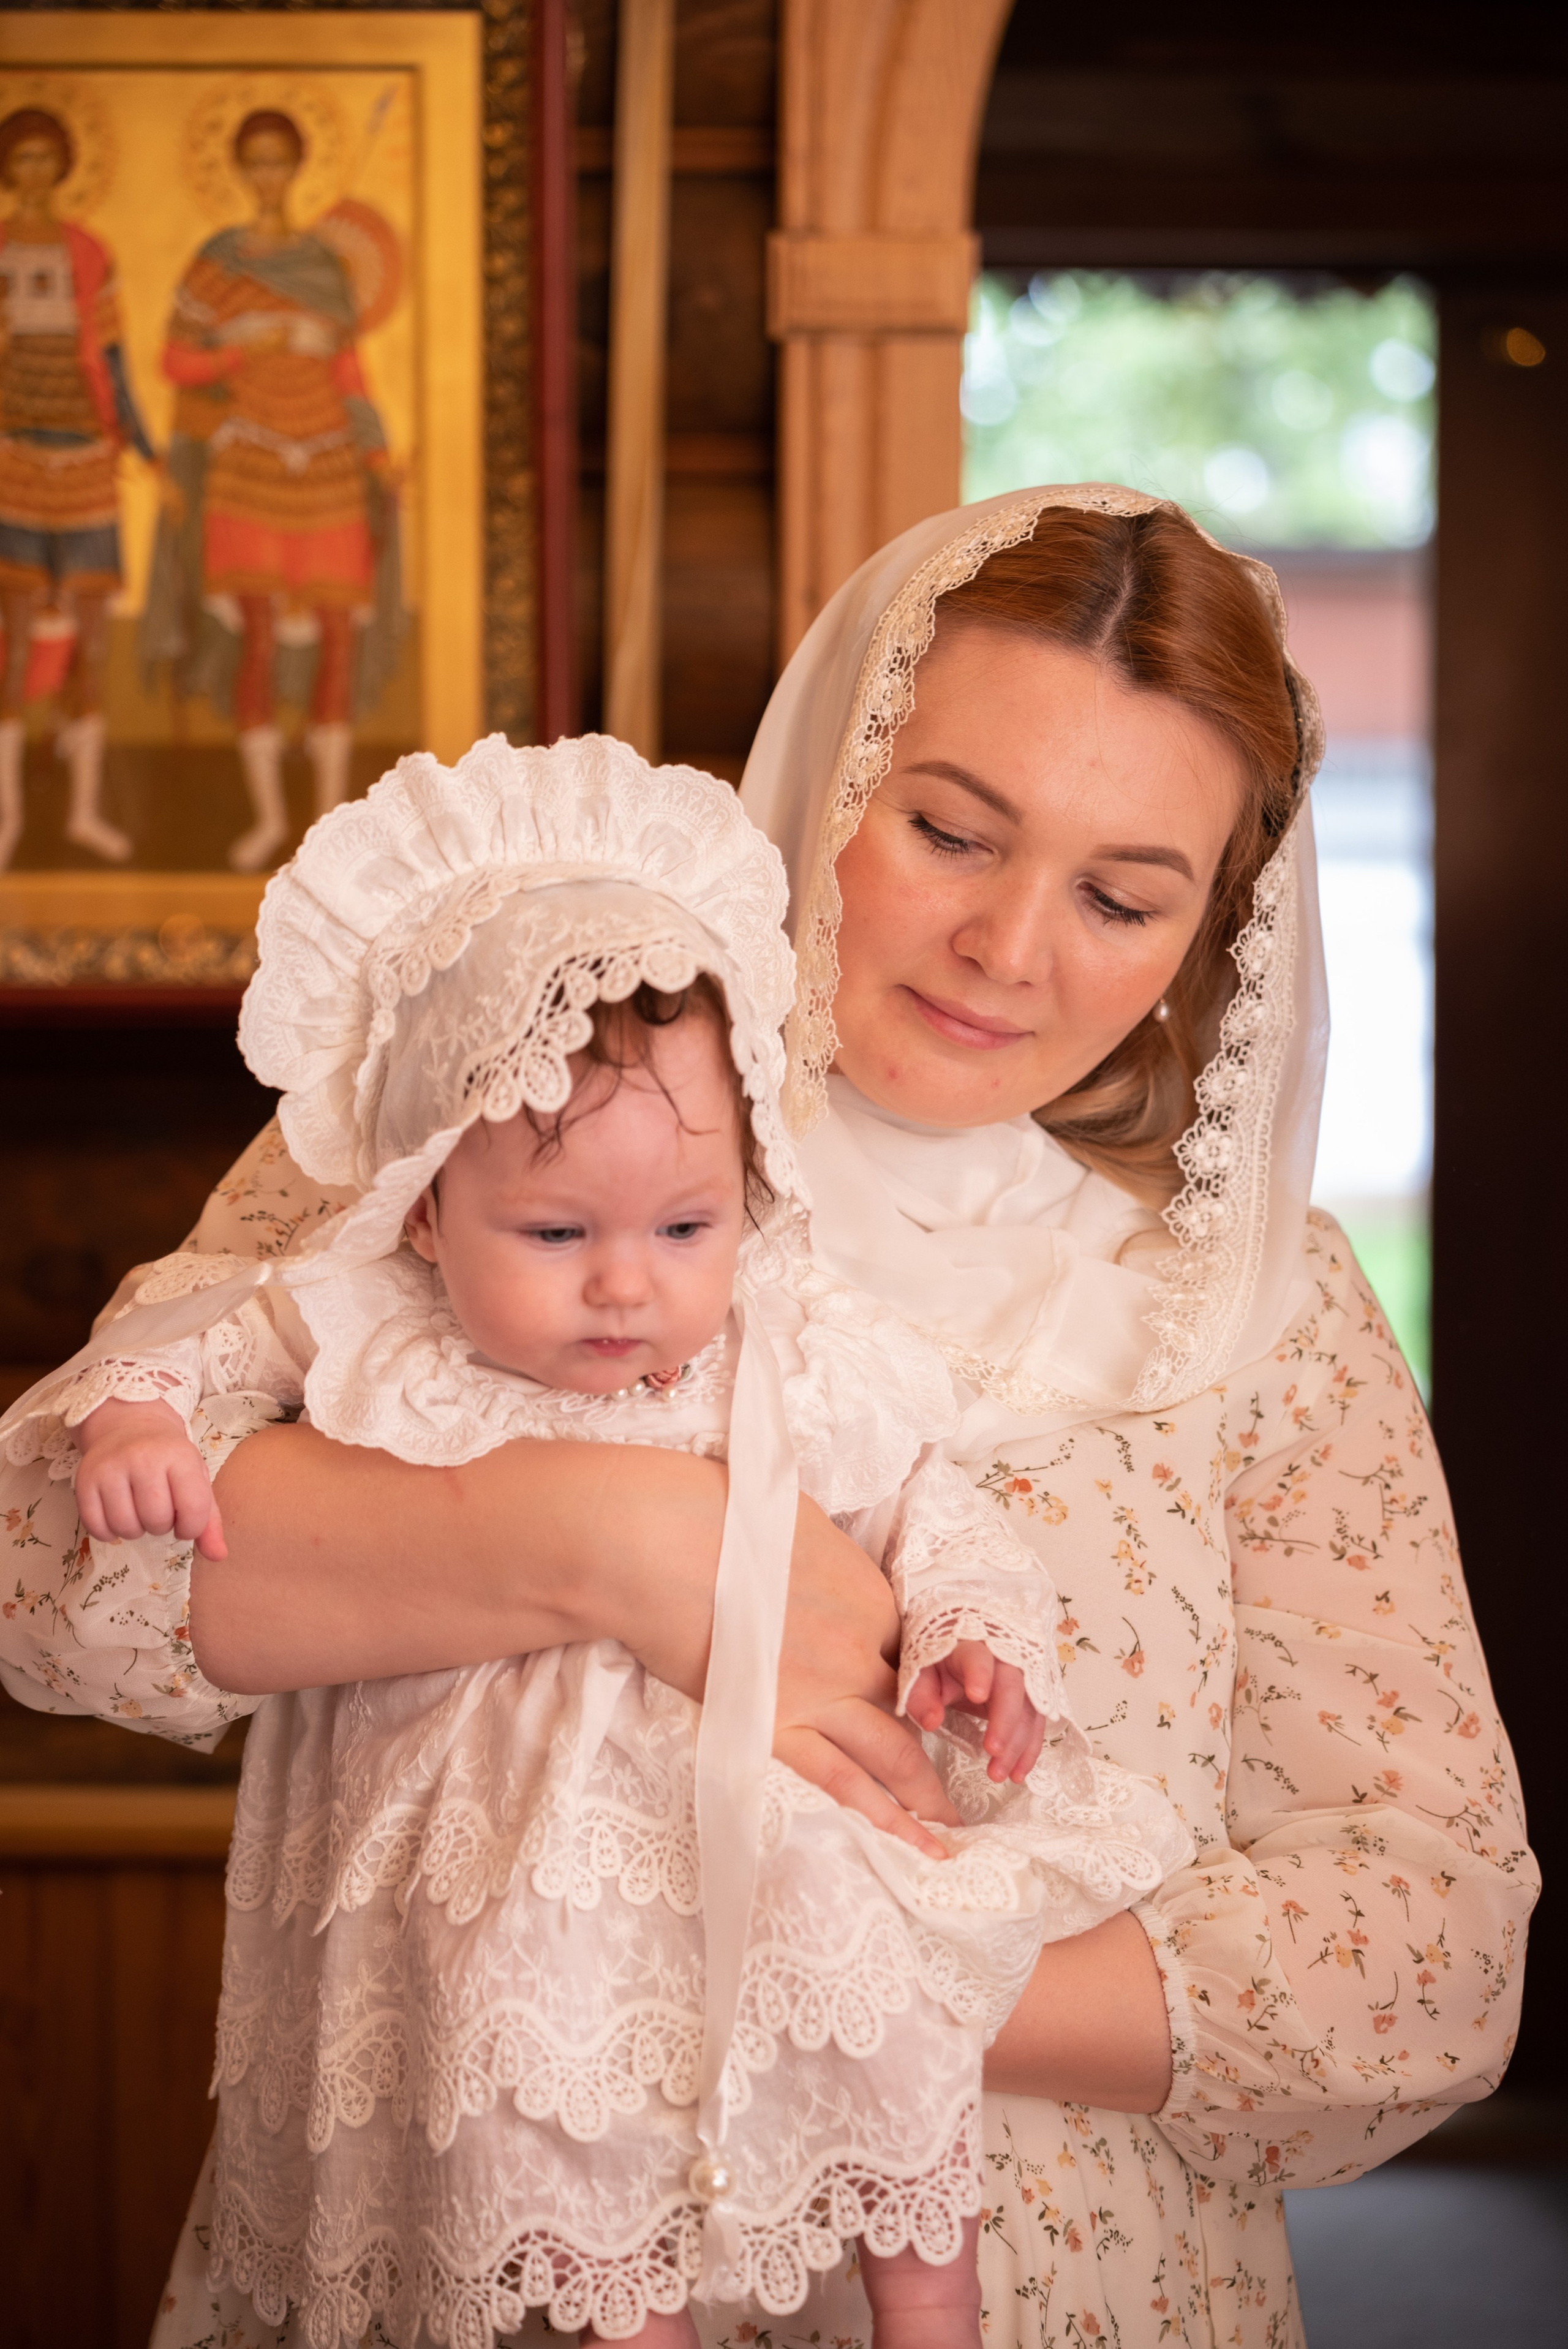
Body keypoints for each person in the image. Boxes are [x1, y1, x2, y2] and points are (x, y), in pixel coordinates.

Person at [0, 488, 1537, 2349]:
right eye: (948, 831)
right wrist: (618, 1545)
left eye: (1120, 897)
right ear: (822, 777)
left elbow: (1429, 1955)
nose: (1007, 945)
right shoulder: (506, 1103)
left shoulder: (1260, 1313)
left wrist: (806, 1964)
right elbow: (56, 1582)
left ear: (1205, 934)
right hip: (475, 2248)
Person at [1, 733, 1187, 2348]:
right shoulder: (378, 1311)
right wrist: (139, 1418)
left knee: (890, 2024)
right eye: (557, 1231)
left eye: (685, 1226)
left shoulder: (775, 1338)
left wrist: (978, 1631)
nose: (627, 1284)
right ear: (429, 1209)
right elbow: (191, 1332)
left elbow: (926, 1501)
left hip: (769, 1844)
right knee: (552, 2131)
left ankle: (933, 2310)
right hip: (517, 1871)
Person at [146, 108, 399, 872]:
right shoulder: (217, 263)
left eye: (279, 161)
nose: (266, 176)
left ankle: (327, 829)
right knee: (254, 638)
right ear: (237, 168)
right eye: (254, 161)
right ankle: (268, 822)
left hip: (327, 462)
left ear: (296, 168)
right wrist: (242, 347)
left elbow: (349, 371)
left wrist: (378, 452)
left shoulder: (323, 265)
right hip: (249, 463)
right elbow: (174, 362)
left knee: (338, 639)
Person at [0, 105, 157, 869]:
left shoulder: (89, 252)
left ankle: (85, 813)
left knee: (90, 647)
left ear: (62, 165)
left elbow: (115, 356)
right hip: (12, 461)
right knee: (11, 643)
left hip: (88, 457)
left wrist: (145, 444)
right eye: (21, 158)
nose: (34, 172)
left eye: (44, 157)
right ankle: (7, 817)